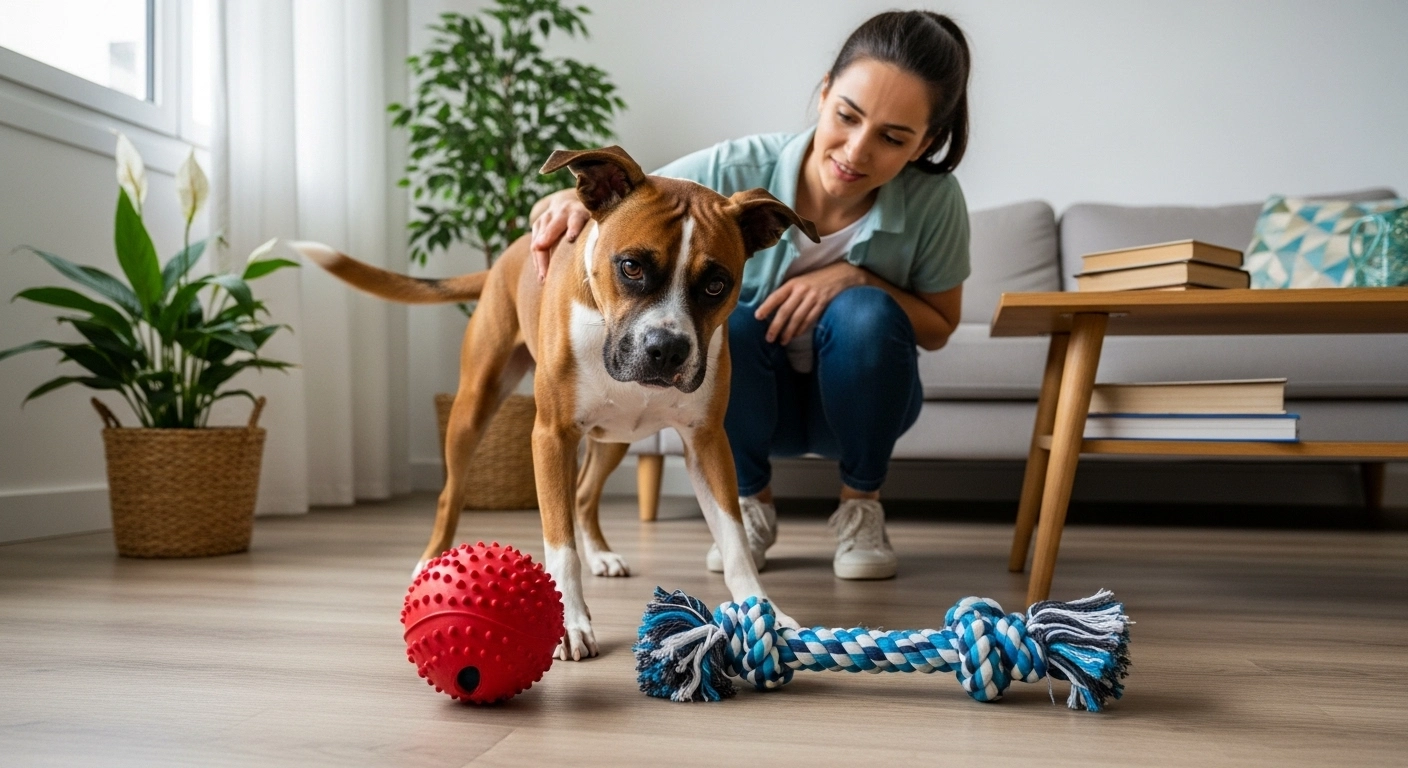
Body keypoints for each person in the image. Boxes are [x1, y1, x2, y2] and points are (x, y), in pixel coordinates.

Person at [528, 11, 971, 580]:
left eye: (892, 137)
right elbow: (627, 211)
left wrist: (857, 278)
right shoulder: (727, 172)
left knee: (866, 313)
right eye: (848, 116)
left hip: (859, 412)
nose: (857, 151)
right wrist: (565, 205)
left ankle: (861, 503)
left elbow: (939, 326)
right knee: (725, 325)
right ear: (825, 92)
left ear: (925, 143)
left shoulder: (935, 203)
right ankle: (751, 505)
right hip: (748, 412)